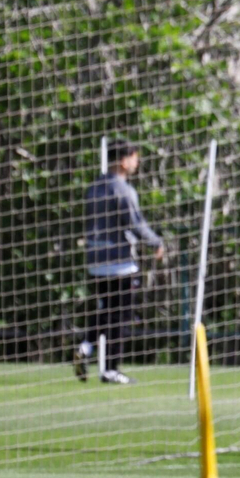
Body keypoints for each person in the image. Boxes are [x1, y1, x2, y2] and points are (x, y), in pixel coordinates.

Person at [75, 139, 164, 385]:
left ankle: (86, 346)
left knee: (106, 311)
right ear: (124, 161)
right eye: (135, 157)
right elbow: (134, 224)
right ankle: (111, 369)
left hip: (95, 260)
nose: (137, 162)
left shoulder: (93, 187)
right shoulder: (123, 190)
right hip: (120, 262)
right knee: (121, 315)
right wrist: (156, 242)